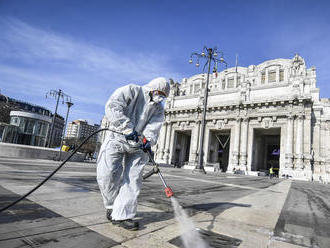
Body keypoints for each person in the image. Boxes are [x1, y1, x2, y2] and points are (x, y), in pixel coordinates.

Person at [97, 77, 170, 231]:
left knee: (133, 180)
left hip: (138, 145)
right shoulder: (132, 90)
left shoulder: (158, 109)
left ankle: (123, 215)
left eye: (163, 95)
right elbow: (113, 106)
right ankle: (111, 206)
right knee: (107, 173)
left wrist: (148, 140)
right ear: (152, 88)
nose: (160, 97)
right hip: (117, 137)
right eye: (159, 93)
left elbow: (154, 127)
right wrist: (127, 128)